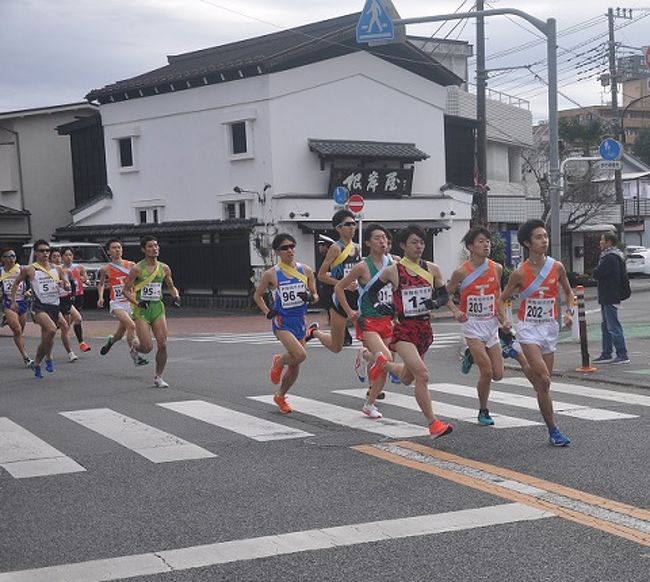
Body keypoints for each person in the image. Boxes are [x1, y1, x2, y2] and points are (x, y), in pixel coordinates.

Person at [364, 225, 453, 438]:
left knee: (407, 378)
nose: (419, 246)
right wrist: (380, 307)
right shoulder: (393, 270)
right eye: (414, 242)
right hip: (404, 330)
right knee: (422, 374)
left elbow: (444, 296)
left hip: (424, 330)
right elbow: (371, 293)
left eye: (422, 242)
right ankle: (433, 424)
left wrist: (435, 301)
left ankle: (382, 363)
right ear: (403, 245)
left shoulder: (432, 269)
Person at [498, 219, 574, 447]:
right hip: (528, 327)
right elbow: (502, 299)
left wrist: (569, 312)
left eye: (545, 236)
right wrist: (504, 320)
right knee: (544, 378)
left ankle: (517, 355)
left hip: (549, 327)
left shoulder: (557, 267)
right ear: (527, 243)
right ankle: (554, 429)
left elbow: (569, 294)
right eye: (539, 237)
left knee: (542, 385)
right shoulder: (519, 274)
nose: (544, 241)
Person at [447, 226, 506, 426]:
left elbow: (498, 296)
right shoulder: (461, 272)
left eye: (487, 241)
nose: (486, 245)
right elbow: (445, 294)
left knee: (498, 374)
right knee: (487, 371)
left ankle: (471, 355)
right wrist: (456, 312)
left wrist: (503, 318)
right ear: (471, 246)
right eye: (481, 241)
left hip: (490, 323)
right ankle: (483, 410)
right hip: (471, 325)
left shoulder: (496, 268)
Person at [253, 234, 318, 413]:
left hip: (300, 320)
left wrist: (311, 297)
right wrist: (268, 312)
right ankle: (279, 361)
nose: (290, 250)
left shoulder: (305, 270)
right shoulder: (271, 274)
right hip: (282, 322)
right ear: (277, 252)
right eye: (285, 248)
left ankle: (280, 395)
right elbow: (257, 295)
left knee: (296, 364)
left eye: (292, 246)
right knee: (300, 354)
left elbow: (315, 295)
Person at [334, 223, 394, 419]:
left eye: (384, 237)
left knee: (380, 362)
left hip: (387, 320)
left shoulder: (393, 263)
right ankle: (369, 403)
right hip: (368, 321)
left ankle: (365, 358)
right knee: (385, 360)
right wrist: (350, 311)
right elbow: (339, 288)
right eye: (377, 238)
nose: (382, 241)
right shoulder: (362, 266)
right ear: (368, 242)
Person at [122, 235, 180, 388]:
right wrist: (137, 302)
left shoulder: (164, 268)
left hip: (157, 308)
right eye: (150, 246)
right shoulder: (137, 269)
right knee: (147, 348)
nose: (154, 249)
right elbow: (126, 291)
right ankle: (134, 345)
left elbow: (171, 286)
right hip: (142, 309)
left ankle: (158, 376)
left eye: (156, 245)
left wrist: (176, 296)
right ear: (143, 249)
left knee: (163, 344)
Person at [10, 240, 70, 378]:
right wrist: (14, 300)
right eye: (42, 251)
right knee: (51, 330)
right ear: (36, 253)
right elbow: (16, 283)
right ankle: (49, 358)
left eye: (47, 251)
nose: (45, 253)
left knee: (47, 337)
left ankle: (37, 362)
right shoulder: (30, 269)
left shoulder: (57, 268)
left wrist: (64, 284)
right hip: (39, 307)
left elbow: (67, 286)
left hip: (54, 306)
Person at [310, 210, 362, 352]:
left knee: (369, 335)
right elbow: (321, 275)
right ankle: (315, 332)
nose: (352, 227)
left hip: (356, 296)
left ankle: (366, 362)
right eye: (348, 224)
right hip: (339, 298)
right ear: (338, 228)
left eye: (354, 224)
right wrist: (342, 284)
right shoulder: (336, 248)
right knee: (336, 346)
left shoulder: (357, 247)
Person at [96, 239, 147, 366]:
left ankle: (111, 341)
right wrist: (100, 297)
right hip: (117, 302)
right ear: (108, 251)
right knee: (131, 326)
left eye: (119, 247)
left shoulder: (131, 265)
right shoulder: (105, 269)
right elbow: (101, 284)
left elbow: (139, 281)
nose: (117, 250)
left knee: (120, 334)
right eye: (114, 248)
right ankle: (135, 356)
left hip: (130, 301)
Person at [592, 232, 630, 364]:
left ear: (609, 242)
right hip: (609, 295)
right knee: (606, 325)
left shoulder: (610, 258)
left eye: (602, 240)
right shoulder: (615, 256)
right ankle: (606, 353)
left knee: (612, 326)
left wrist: (596, 272)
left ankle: (622, 354)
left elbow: (598, 273)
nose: (600, 243)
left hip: (609, 295)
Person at [0, 247, 32, 365]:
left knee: (19, 332)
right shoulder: (1, 272)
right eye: (9, 256)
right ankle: (25, 356)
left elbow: (30, 285)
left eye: (14, 256)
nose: (12, 259)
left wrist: (28, 292)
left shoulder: (21, 270)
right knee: (17, 329)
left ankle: (7, 320)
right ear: (3, 259)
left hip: (22, 302)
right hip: (8, 303)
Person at [49, 248, 81, 362]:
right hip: (52, 301)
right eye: (54, 256)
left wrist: (70, 292)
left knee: (65, 327)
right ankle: (70, 352)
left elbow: (71, 284)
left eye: (58, 256)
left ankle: (70, 351)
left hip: (65, 300)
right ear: (50, 259)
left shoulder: (66, 271)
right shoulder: (46, 272)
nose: (57, 258)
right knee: (61, 326)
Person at [61, 247, 91, 352]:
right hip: (67, 297)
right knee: (77, 318)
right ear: (62, 257)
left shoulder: (79, 268)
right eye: (66, 255)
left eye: (70, 255)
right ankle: (81, 343)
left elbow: (87, 280)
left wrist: (85, 280)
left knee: (68, 323)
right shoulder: (60, 269)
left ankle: (65, 338)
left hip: (79, 296)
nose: (69, 257)